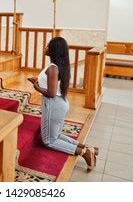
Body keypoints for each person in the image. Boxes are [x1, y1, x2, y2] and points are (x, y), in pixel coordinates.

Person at [28, 37, 98, 172]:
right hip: (60, 104)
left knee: (49, 140)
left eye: (48, 46)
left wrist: (36, 87)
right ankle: (87, 147)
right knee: (56, 135)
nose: (45, 48)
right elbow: (52, 85)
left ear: (54, 50)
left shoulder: (53, 68)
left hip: (53, 104)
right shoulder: (56, 65)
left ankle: (84, 153)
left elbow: (51, 93)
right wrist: (38, 81)